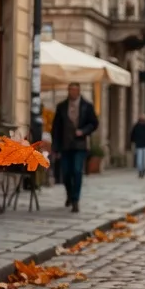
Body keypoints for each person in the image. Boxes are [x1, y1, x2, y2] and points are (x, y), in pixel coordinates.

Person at [51, 83, 98, 214]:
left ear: (78, 91)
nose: (72, 92)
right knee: (66, 173)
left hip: (80, 145)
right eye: (70, 90)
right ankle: (69, 194)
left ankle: (75, 200)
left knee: (77, 171)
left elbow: (94, 123)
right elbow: (55, 128)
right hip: (65, 145)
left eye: (74, 90)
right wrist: (55, 147)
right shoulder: (61, 107)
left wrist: (83, 131)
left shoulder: (87, 106)